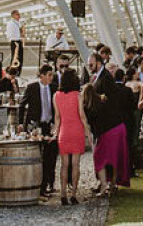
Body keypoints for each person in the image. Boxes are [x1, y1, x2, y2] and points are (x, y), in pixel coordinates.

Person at [85, 52, 130, 195]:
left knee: (106, 156)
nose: (89, 66)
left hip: (108, 125)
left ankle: (108, 184)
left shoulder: (105, 78)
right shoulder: (96, 77)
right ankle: (107, 183)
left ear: (99, 63)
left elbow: (112, 100)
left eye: (91, 64)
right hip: (105, 126)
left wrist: (98, 99)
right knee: (109, 156)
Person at [22, 64, 60, 198]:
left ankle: (49, 183)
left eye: (52, 75)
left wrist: (56, 124)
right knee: (38, 156)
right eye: (49, 75)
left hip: (49, 125)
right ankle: (38, 185)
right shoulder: (32, 87)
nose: (51, 77)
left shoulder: (54, 88)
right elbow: (22, 104)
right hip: (36, 125)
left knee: (51, 155)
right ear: (42, 76)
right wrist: (21, 124)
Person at [52, 68, 86, 206]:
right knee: (75, 164)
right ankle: (73, 194)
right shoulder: (78, 95)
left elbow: (57, 117)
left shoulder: (56, 95)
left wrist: (55, 132)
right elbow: (82, 115)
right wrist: (87, 129)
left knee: (64, 165)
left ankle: (62, 194)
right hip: (77, 130)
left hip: (64, 131)